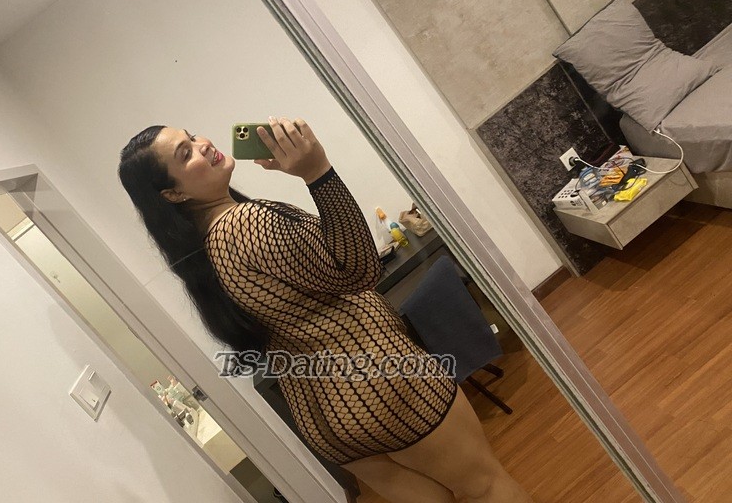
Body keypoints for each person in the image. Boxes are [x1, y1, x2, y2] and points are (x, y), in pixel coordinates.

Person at [118, 116, 531, 503]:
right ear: (173, 194)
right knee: (484, 485)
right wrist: (317, 172)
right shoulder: (244, 221)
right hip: (385, 384)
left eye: (192, 137)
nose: (203, 145)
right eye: (185, 153)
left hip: (327, 415)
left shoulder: (204, 254)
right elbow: (359, 270)